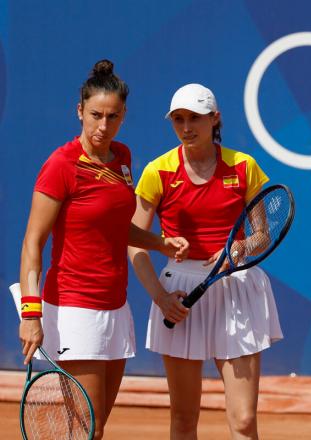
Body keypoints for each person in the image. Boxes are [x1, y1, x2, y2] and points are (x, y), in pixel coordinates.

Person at [18, 60, 189, 440]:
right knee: (86, 431)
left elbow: (115, 228)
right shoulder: (60, 166)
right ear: (79, 111)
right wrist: (31, 313)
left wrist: (159, 242)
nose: (103, 126)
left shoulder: (123, 159)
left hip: (116, 307)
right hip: (75, 310)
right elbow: (33, 243)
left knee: (94, 430)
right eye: (95, 115)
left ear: (123, 115)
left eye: (112, 117)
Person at [129, 83, 282, 440]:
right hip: (179, 293)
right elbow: (134, 241)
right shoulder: (158, 171)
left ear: (215, 119)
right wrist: (161, 298)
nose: (186, 127)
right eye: (178, 119)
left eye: (195, 118)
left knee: (244, 421)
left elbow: (262, 235)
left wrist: (239, 250)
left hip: (236, 289)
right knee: (184, 420)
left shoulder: (244, 166)